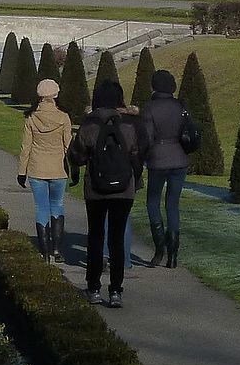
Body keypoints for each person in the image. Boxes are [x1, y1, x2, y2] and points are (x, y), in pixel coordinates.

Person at [69, 79, 149, 308]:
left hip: (95, 187)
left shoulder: (90, 124)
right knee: (117, 239)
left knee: (95, 237)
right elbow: (140, 152)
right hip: (124, 189)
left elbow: (78, 155)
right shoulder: (130, 124)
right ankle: (115, 290)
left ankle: (93, 287)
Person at [17, 78, 74, 268]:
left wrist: (21, 172)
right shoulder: (63, 116)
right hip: (58, 168)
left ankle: (45, 252)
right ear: (56, 95)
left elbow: (26, 147)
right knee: (57, 205)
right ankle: (57, 249)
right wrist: (73, 169)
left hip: (36, 168)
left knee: (41, 208)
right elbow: (69, 146)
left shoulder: (32, 117)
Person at [141, 68, 190, 268]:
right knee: (173, 204)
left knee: (153, 202)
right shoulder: (181, 106)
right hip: (179, 158)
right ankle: (173, 254)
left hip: (158, 160)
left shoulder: (150, 108)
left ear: (154, 86)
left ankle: (160, 248)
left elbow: (147, 138)